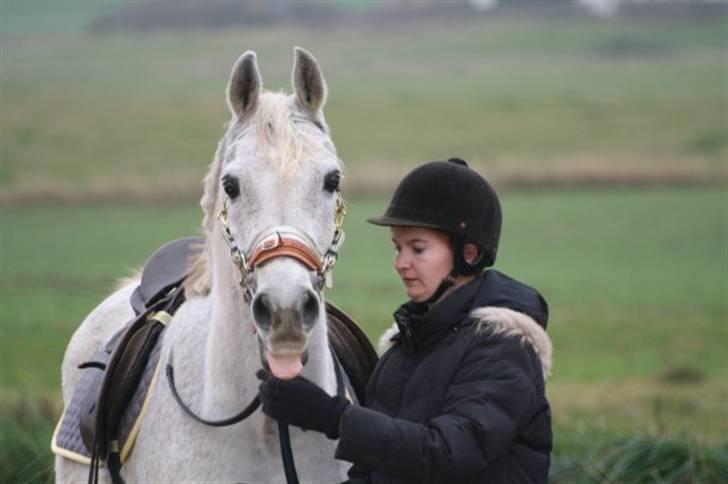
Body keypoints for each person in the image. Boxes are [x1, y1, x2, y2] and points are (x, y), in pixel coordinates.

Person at [258, 158, 553, 483]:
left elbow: (447, 452)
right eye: (398, 248)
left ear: (469, 254)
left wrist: (333, 416)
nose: (401, 263)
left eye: (418, 249)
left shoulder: (505, 348)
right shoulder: (402, 351)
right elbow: (373, 474)